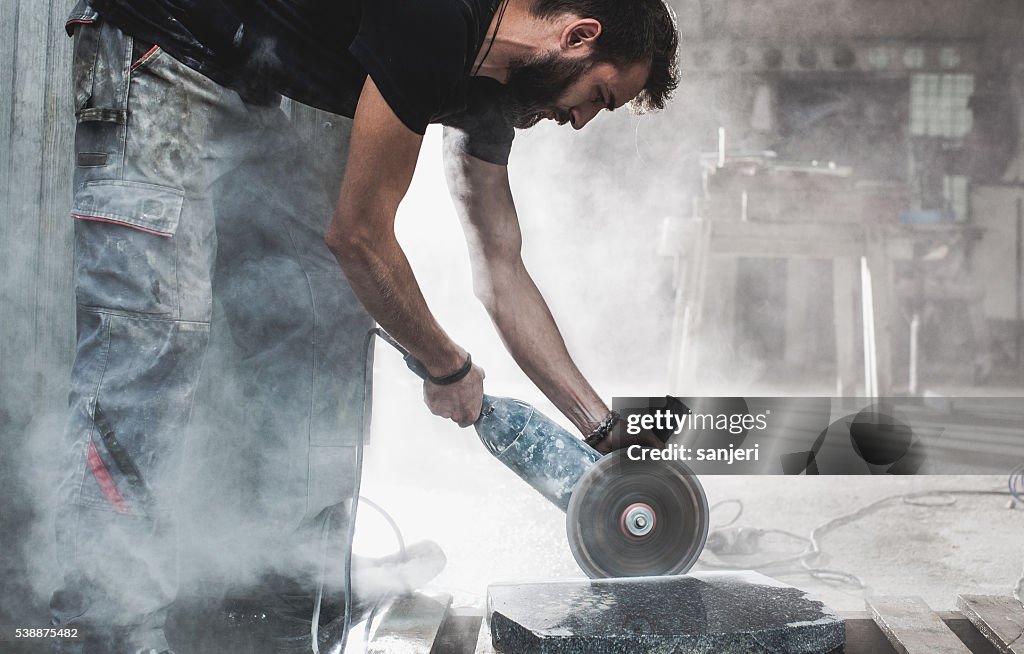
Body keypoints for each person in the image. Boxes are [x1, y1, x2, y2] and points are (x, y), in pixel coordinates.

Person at [51, 0, 679, 652]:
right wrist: (447, 367)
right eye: (600, 97)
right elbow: (358, 237)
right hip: (155, 45)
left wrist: (599, 430)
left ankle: (283, 594)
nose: (580, 122)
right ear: (578, 35)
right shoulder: (438, 21)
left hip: (246, 86)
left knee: (322, 313)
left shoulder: (492, 88)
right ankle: (102, 630)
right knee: (155, 338)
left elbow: (500, 264)